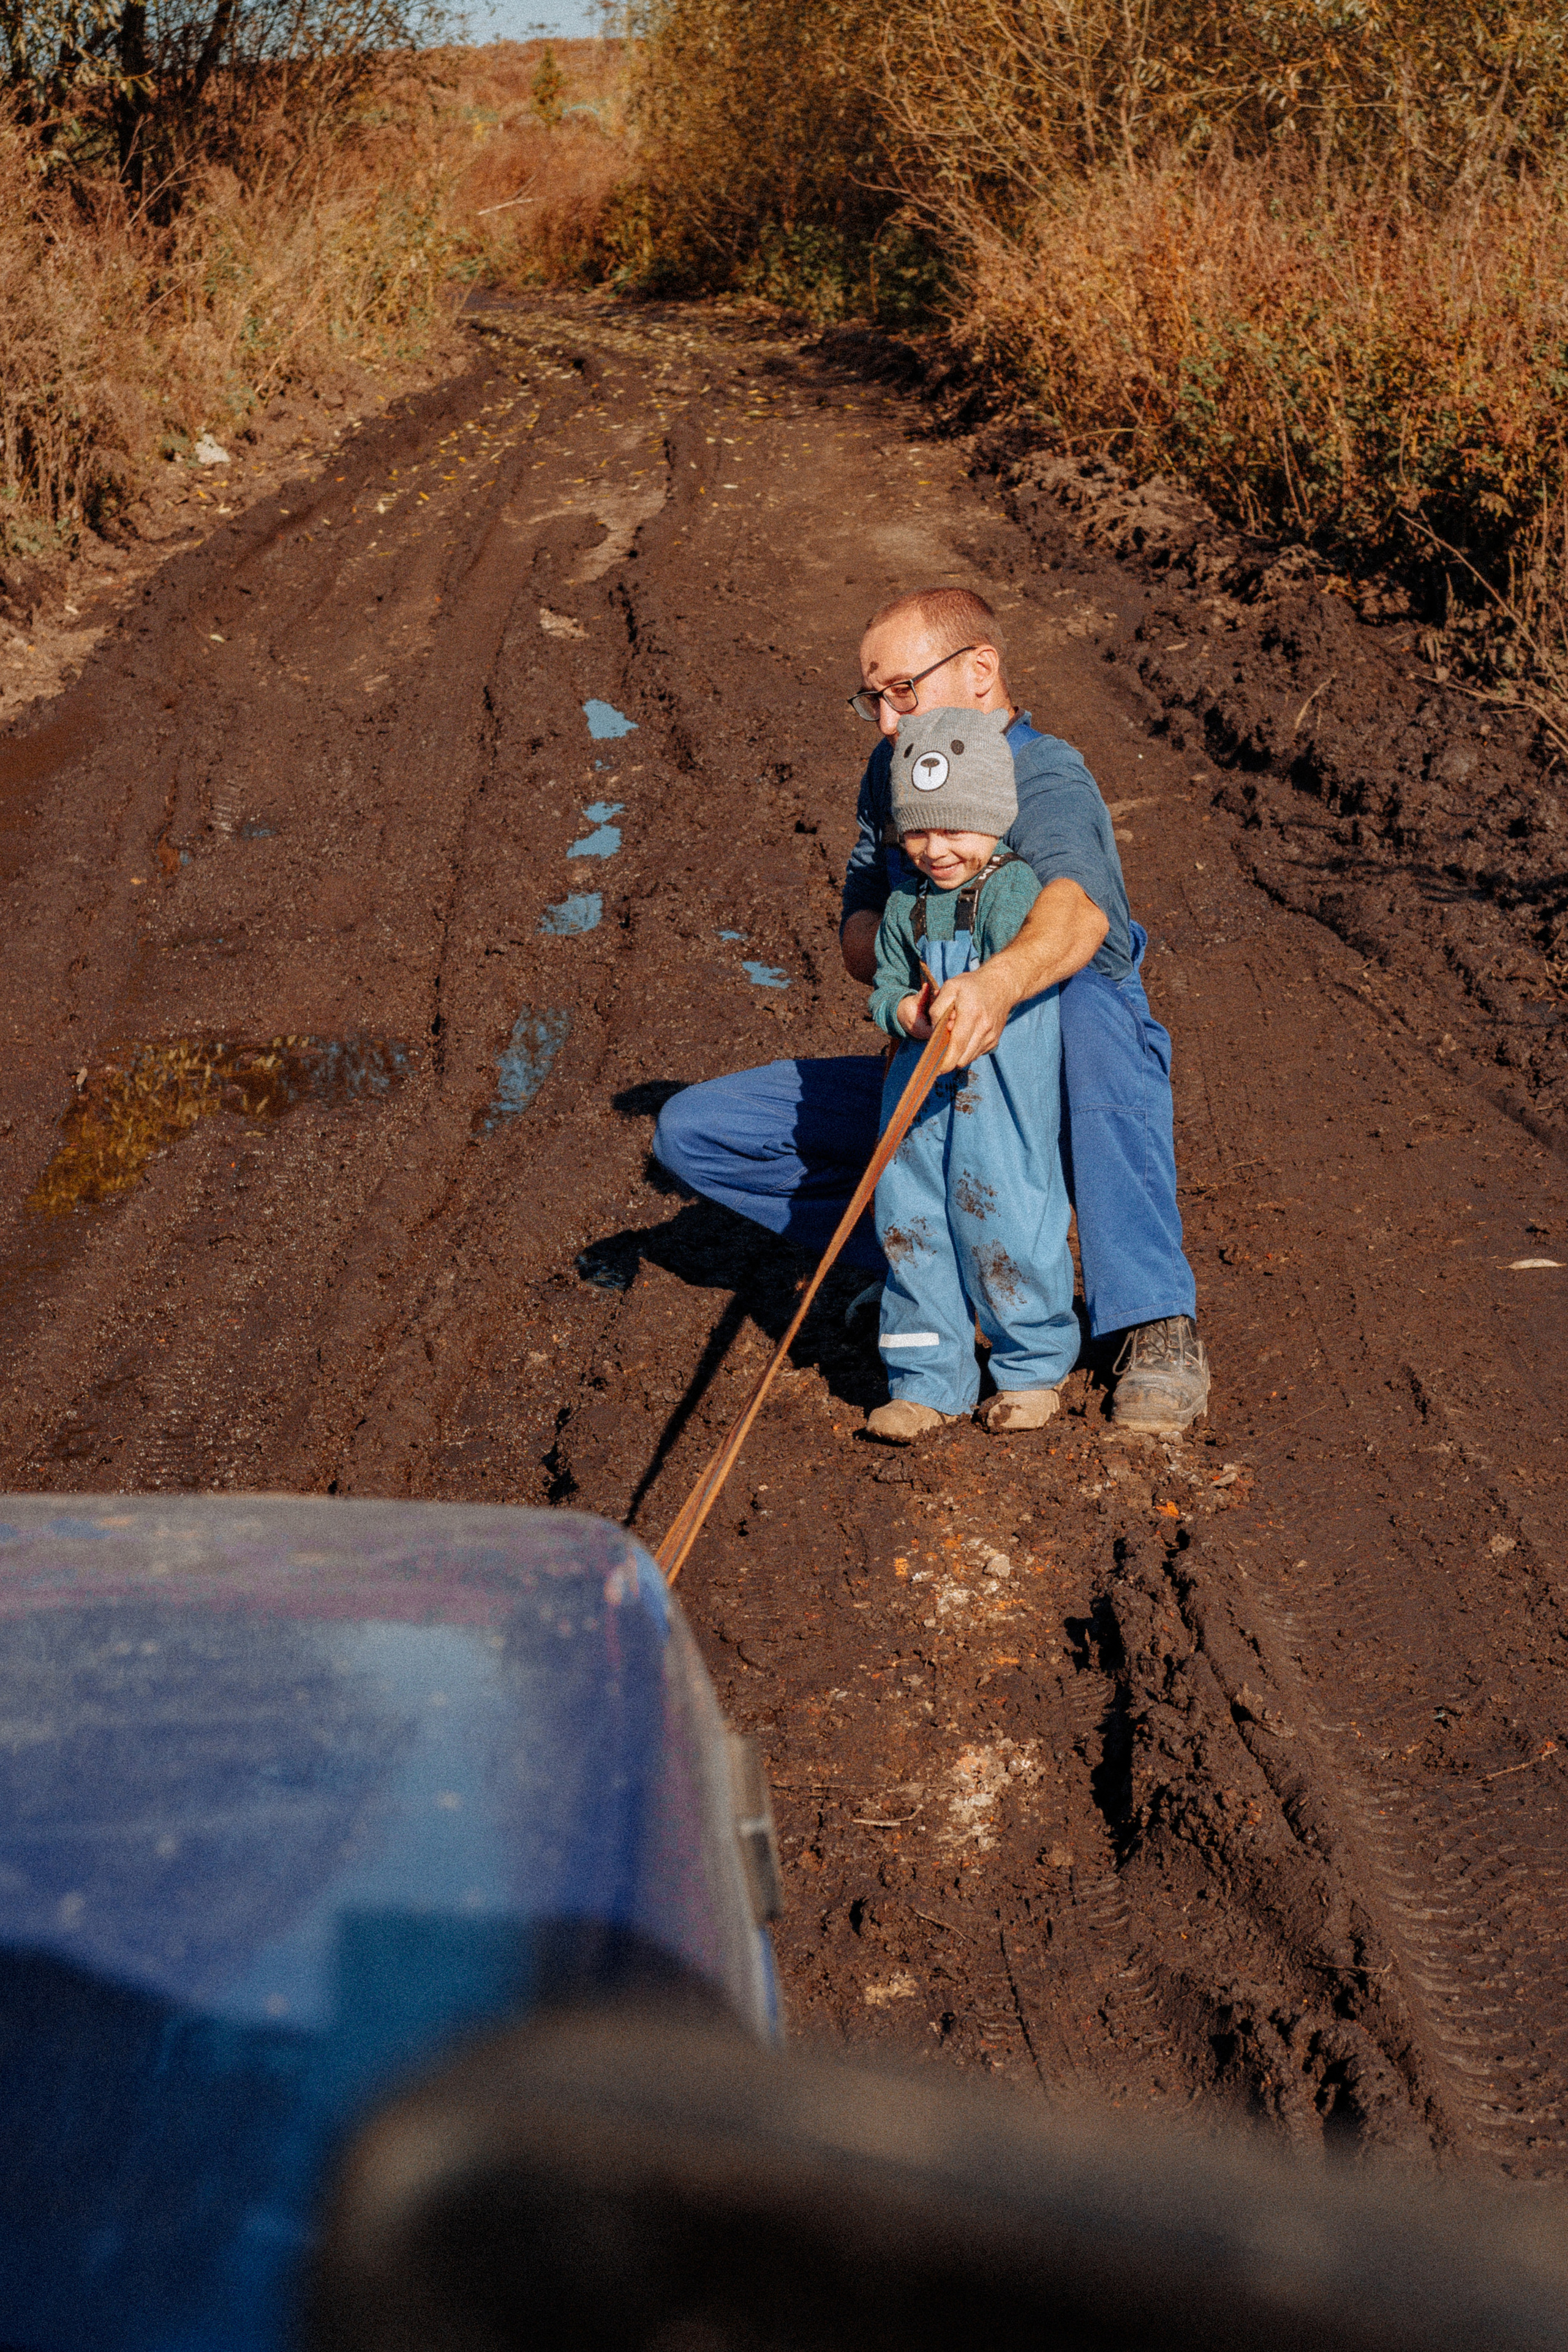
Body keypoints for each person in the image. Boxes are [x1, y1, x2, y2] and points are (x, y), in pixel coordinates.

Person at [653, 585, 1210, 1434]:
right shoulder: (890, 773)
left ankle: (1152, 1315)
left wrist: (996, 980)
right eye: (872, 698)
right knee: (695, 1132)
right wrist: (906, 960)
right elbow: (857, 929)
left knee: (1091, 1012)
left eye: (902, 691)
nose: (885, 720)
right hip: (938, 1063)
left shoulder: (1044, 773)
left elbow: (1081, 913)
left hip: (1053, 1073)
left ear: (981, 670)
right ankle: (943, 1268)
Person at [865, 705, 1078, 1442]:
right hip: (918, 1089)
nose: (936, 849)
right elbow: (884, 986)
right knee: (910, 1219)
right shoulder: (904, 904)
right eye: (918, 832)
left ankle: (1031, 1370)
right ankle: (925, 1381)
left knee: (1005, 1211)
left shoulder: (1012, 891)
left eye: (955, 828)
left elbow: (1024, 973)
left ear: (991, 816)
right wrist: (903, 1011)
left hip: (1000, 1086)